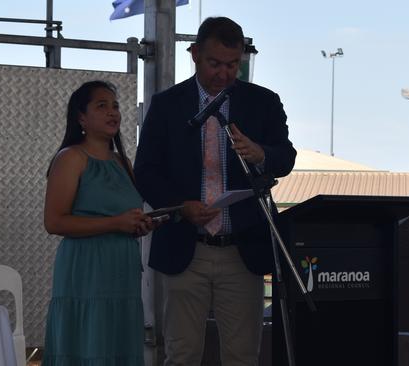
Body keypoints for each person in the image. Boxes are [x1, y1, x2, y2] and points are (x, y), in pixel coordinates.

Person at [134, 17, 296, 366]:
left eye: (233, 64)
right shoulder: (167, 105)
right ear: (194, 54)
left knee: (242, 356)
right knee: (182, 354)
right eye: (215, 63)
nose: (224, 74)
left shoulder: (263, 102)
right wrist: (180, 206)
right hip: (184, 246)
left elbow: (286, 157)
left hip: (241, 250)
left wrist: (261, 153)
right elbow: (145, 172)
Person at [42, 80, 153, 366]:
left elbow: (123, 217)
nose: (112, 112)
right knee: (89, 341)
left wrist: (140, 224)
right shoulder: (71, 158)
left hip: (122, 269)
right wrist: (115, 223)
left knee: (117, 342)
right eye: (101, 106)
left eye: (115, 106)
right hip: (86, 269)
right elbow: (54, 222)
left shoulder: (123, 163)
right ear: (81, 117)